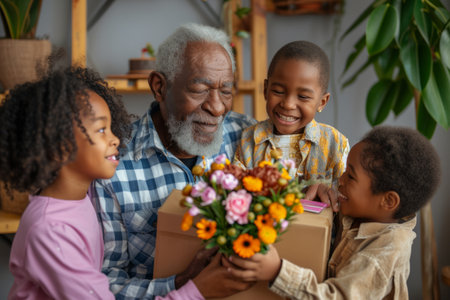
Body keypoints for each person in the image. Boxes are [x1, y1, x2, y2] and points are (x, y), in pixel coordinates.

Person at [91, 23, 256, 299]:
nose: (216, 107)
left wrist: (318, 187)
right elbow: (106, 283)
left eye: (226, 91)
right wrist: (181, 284)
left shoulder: (247, 137)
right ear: (160, 87)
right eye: (200, 89)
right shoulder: (112, 166)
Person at [226, 126, 441, 299]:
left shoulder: (385, 252)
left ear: (388, 200)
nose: (340, 180)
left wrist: (277, 272)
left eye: (351, 176)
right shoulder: (361, 212)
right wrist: (315, 191)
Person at [1, 67, 132, 299]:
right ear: (60, 147)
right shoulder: (50, 229)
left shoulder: (81, 195)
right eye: (102, 129)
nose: (115, 139)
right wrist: (196, 291)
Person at [233, 41, 349, 187]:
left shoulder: (335, 144)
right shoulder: (249, 141)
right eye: (278, 92)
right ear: (266, 90)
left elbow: (347, 197)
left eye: (303, 97)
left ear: (322, 102)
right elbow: (236, 191)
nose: (288, 104)